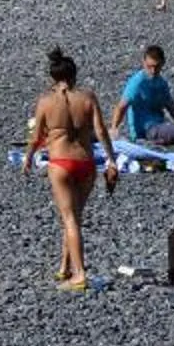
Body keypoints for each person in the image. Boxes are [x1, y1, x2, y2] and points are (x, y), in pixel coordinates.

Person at [24, 48, 117, 289]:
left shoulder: (46, 101)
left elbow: (36, 137)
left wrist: (28, 157)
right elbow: (101, 131)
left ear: (52, 78)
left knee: (69, 219)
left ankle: (79, 274)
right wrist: (111, 160)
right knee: (75, 216)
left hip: (61, 163)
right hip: (86, 163)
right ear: (75, 76)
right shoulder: (87, 98)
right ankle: (65, 266)